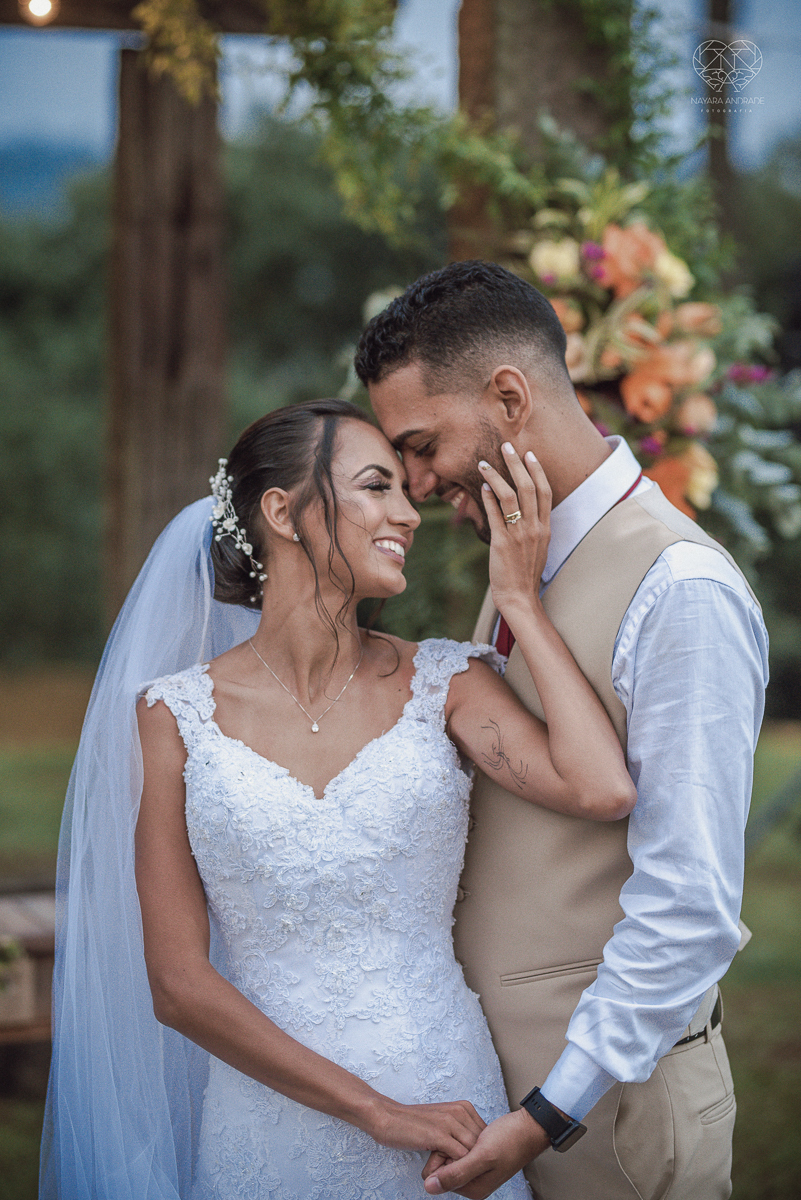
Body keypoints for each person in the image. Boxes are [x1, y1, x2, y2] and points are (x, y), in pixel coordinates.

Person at [41, 397, 637, 1200]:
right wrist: (376, 1113)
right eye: (375, 487)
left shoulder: (446, 683)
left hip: (448, 1102)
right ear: (283, 512)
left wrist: (520, 602)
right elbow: (179, 985)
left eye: (404, 490)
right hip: (266, 1127)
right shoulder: (172, 718)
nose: (408, 514)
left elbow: (600, 788)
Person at [356, 261, 770, 1200]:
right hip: (498, 1100)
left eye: (421, 446)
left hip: (611, 1115)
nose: (415, 485)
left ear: (508, 397)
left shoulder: (680, 591)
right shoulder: (526, 563)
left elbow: (690, 904)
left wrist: (550, 1111)